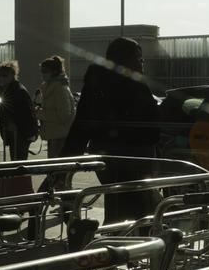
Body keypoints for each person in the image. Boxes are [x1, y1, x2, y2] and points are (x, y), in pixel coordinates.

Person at [61, 37, 159, 221]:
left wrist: (67, 158)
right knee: (138, 208)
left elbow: (82, 121)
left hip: (104, 154)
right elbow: (151, 120)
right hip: (135, 155)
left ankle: (114, 237)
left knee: (117, 200)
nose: (142, 61)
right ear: (124, 59)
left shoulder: (97, 82)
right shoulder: (134, 83)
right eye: (138, 57)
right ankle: (131, 240)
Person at [0, 61, 37, 162]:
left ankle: (20, 177)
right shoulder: (5, 90)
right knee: (15, 160)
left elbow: (26, 114)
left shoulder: (18, 90)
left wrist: (14, 124)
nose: (1, 78)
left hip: (20, 133)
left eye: (4, 75)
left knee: (19, 162)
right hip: (13, 133)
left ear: (12, 76)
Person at [36, 55, 76, 158]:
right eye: (41, 71)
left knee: (57, 169)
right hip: (54, 134)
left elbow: (64, 115)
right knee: (54, 168)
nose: (42, 74)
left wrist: (40, 114)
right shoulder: (49, 87)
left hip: (60, 136)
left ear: (53, 72)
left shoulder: (60, 89)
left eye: (45, 71)